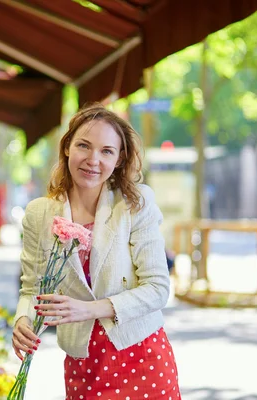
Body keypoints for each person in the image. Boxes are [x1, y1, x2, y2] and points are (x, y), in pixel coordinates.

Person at [12, 103, 180, 399]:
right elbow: (32, 288)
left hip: (140, 354)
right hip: (83, 362)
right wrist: (23, 320)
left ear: (118, 159)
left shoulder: (135, 204)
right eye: (84, 146)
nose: (93, 160)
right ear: (67, 148)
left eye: (106, 151)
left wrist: (88, 309)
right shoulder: (40, 213)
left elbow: (157, 288)